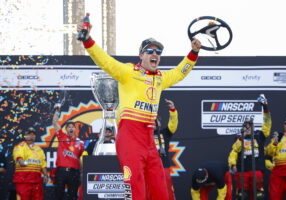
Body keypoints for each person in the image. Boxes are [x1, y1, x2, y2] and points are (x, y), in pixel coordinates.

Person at [77, 16, 201, 200]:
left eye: (158, 52)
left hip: (149, 141)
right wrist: (87, 40)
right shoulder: (128, 72)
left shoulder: (160, 78)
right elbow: (105, 61)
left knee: (161, 190)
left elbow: (179, 73)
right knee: (134, 189)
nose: (155, 54)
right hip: (129, 139)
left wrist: (193, 53)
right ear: (141, 55)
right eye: (150, 51)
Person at [228, 94, 271, 200]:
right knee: (243, 196)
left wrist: (265, 108)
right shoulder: (239, 139)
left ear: (254, 126)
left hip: (257, 171)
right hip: (243, 172)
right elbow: (233, 151)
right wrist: (232, 164)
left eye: (250, 125)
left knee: (259, 196)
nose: (248, 127)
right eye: (246, 126)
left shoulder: (259, 136)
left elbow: (267, 125)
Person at [146, 98, 178, 200]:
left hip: (164, 166)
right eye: (153, 120)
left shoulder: (165, 132)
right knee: (149, 191)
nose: (155, 122)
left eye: (157, 120)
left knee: (167, 190)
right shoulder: (144, 133)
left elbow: (173, 124)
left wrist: (172, 109)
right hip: (148, 167)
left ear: (160, 122)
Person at [52, 104, 85, 200]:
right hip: (61, 171)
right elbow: (54, 122)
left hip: (74, 172)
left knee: (73, 196)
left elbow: (81, 159)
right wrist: (58, 110)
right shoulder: (61, 136)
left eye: (73, 127)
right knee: (58, 196)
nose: (71, 128)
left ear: (75, 129)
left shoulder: (80, 143)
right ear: (66, 129)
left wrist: (82, 173)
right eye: (69, 127)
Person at [12, 127, 48, 200]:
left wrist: (45, 175)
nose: (31, 136)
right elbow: (19, 157)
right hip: (23, 181)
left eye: (33, 134)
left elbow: (43, 164)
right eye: (29, 134)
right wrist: (22, 162)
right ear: (25, 136)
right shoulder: (20, 146)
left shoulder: (39, 149)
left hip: (36, 181)